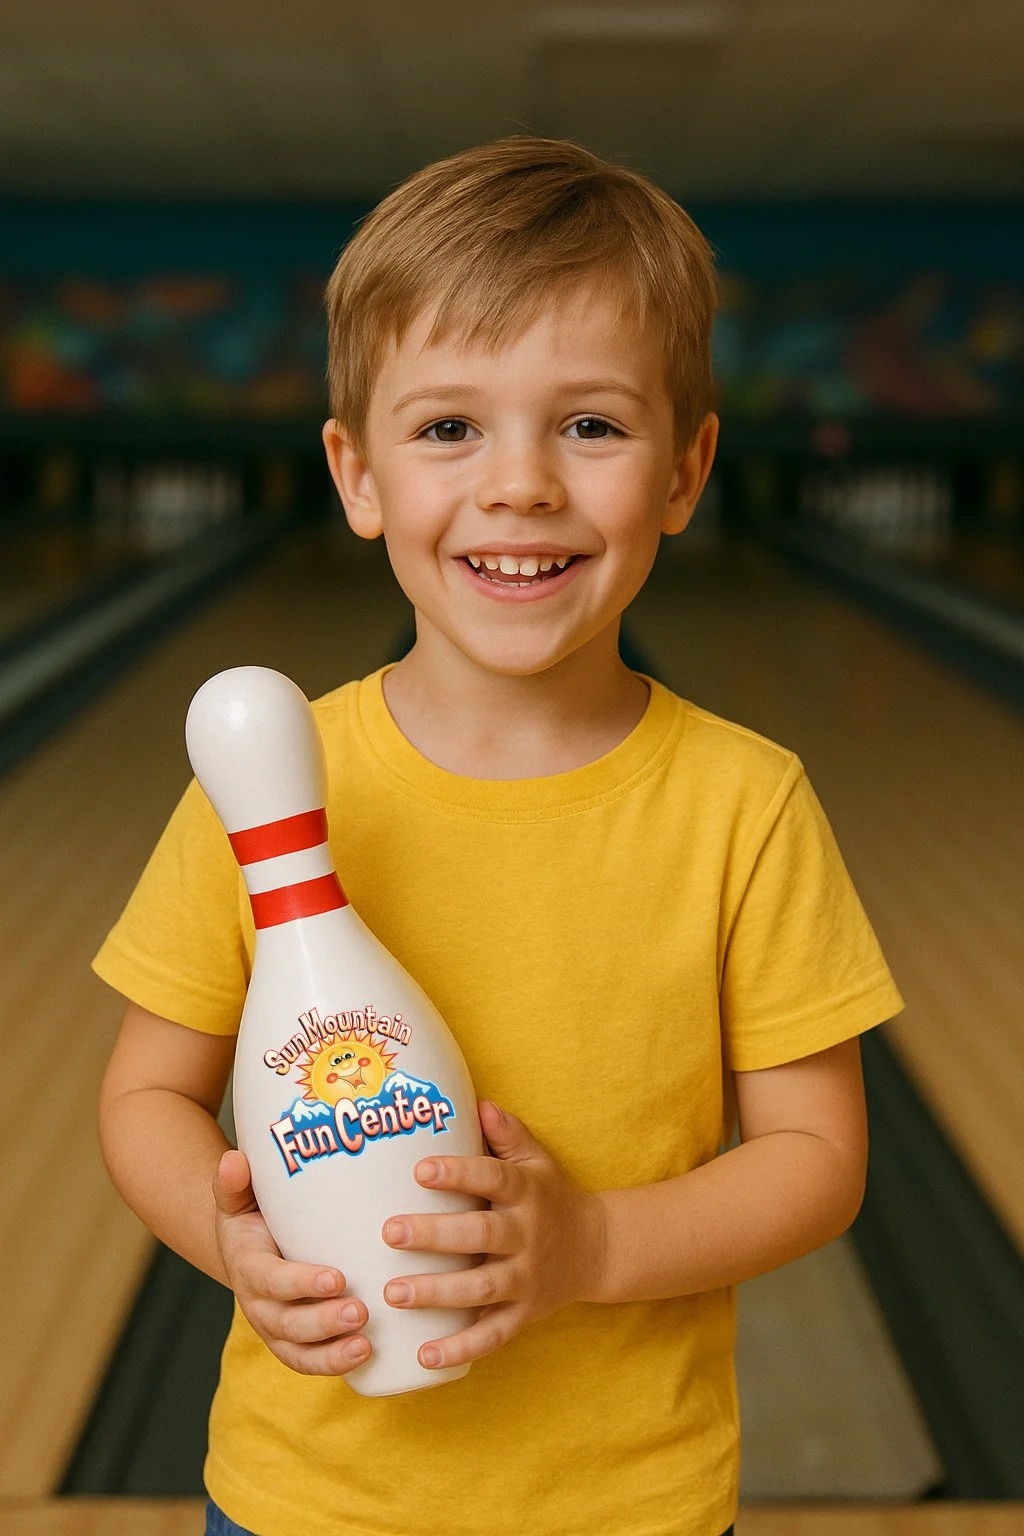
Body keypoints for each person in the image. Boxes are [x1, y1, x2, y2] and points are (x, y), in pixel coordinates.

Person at [94, 137, 903, 1536]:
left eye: (589, 426)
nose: (520, 483)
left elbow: (818, 1158)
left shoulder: (742, 803)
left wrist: (591, 1244)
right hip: (306, 1499)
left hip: (628, 1504)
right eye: (450, 427)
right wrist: (227, 1241)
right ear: (357, 476)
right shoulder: (275, 784)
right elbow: (143, 1101)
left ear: (685, 469)